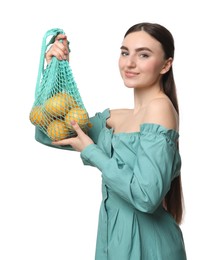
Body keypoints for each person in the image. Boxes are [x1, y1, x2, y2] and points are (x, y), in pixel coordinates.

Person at [43, 22, 187, 259]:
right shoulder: (115, 118)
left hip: (149, 247)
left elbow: (146, 197)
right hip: (113, 241)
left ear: (166, 64)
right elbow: (51, 134)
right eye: (124, 52)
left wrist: (93, 152)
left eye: (143, 54)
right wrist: (54, 67)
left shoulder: (160, 108)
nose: (129, 63)